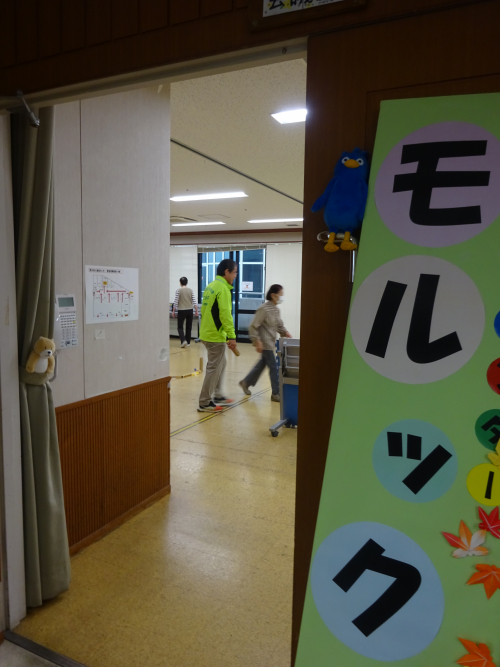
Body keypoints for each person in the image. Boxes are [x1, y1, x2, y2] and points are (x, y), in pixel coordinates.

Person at [239, 284, 292, 402]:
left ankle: (246, 382)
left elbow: (279, 325)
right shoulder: (264, 309)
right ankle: (275, 393)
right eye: (280, 294)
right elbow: (253, 326)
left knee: (262, 364)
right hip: (265, 343)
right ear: (273, 295)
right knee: (273, 367)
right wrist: (256, 341)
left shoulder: (276, 310)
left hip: (271, 343)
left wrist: (285, 332)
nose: (282, 297)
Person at [198, 259, 238, 412]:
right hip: (215, 336)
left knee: (222, 363)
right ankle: (205, 402)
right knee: (214, 368)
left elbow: (206, 311)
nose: (235, 276)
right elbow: (225, 314)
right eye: (234, 272)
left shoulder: (211, 286)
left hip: (207, 333)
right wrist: (231, 336)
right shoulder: (223, 288)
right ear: (226, 272)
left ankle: (219, 395)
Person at [172, 277, 198, 348]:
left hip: (181, 310)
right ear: (187, 282)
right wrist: (196, 310)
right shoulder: (190, 290)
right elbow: (194, 301)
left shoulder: (178, 290)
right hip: (190, 310)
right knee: (189, 327)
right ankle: (188, 342)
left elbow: (176, 301)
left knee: (180, 327)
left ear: (180, 283)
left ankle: (183, 341)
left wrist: (173, 311)